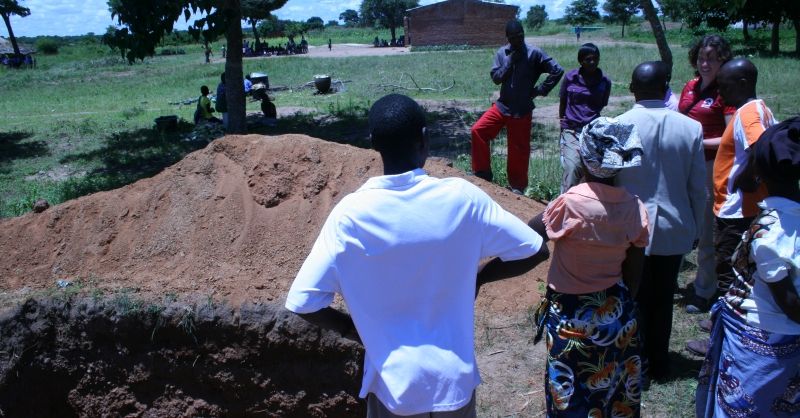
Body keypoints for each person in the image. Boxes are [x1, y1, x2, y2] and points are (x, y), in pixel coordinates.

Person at [284, 93, 549, 417]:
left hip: (392, 390)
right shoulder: (461, 200)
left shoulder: (349, 216)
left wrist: (355, 331)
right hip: (454, 386)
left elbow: (302, 301)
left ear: (374, 144)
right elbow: (533, 249)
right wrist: (481, 278)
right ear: (424, 139)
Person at [531, 117, 648, 416]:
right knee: (611, 389)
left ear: (583, 157)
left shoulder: (570, 203)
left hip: (571, 317)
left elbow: (532, 234)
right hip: (616, 312)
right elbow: (634, 273)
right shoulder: (634, 207)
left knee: (570, 394)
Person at [695, 116, 800, 418]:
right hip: (785, 338)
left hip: (759, 336)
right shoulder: (789, 220)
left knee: (741, 407)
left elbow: (790, 303)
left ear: (760, 173)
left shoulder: (769, 234)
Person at [615, 61, 706, 381]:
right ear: (667, 87)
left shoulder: (618, 125)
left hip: (629, 227)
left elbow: (611, 183)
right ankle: (660, 362)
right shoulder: (690, 128)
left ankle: (636, 364)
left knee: (634, 295)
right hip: (673, 225)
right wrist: (696, 227)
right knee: (664, 297)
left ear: (631, 89)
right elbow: (698, 188)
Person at [685, 58, 777, 357]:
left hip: (736, 211)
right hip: (742, 208)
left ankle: (722, 340)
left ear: (742, 83)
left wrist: (746, 178)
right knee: (739, 275)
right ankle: (719, 324)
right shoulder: (758, 108)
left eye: (724, 85)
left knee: (729, 277)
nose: (720, 93)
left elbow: (761, 147)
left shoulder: (748, 114)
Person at [471, 20, 563, 195]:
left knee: (518, 149)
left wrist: (540, 90)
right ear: (507, 38)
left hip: (522, 108)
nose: (517, 40)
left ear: (523, 34)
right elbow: (496, 78)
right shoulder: (502, 53)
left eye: (520, 36)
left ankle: (517, 186)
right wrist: (510, 61)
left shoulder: (534, 53)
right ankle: (483, 172)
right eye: (513, 37)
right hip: (502, 105)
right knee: (478, 130)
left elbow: (557, 70)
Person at [679, 35, 736, 314]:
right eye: (702, 57)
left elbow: (730, 135)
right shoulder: (690, 87)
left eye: (712, 58)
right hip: (685, 164)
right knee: (681, 220)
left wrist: (695, 143)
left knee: (706, 231)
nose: (705, 63)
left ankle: (704, 291)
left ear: (723, 60)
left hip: (711, 167)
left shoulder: (726, 92)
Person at [558, 42, 612, 193]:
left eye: (595, 58)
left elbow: (603, 104)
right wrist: (562, 125)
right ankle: (563, 204)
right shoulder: (570, 78)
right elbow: (563, 102)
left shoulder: (604, 81)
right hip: (571, 128)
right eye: (588, 59)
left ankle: (583, 204)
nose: (592, 62)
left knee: (593, 169)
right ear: (580, 61)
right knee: (572, 166)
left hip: (592, 131)